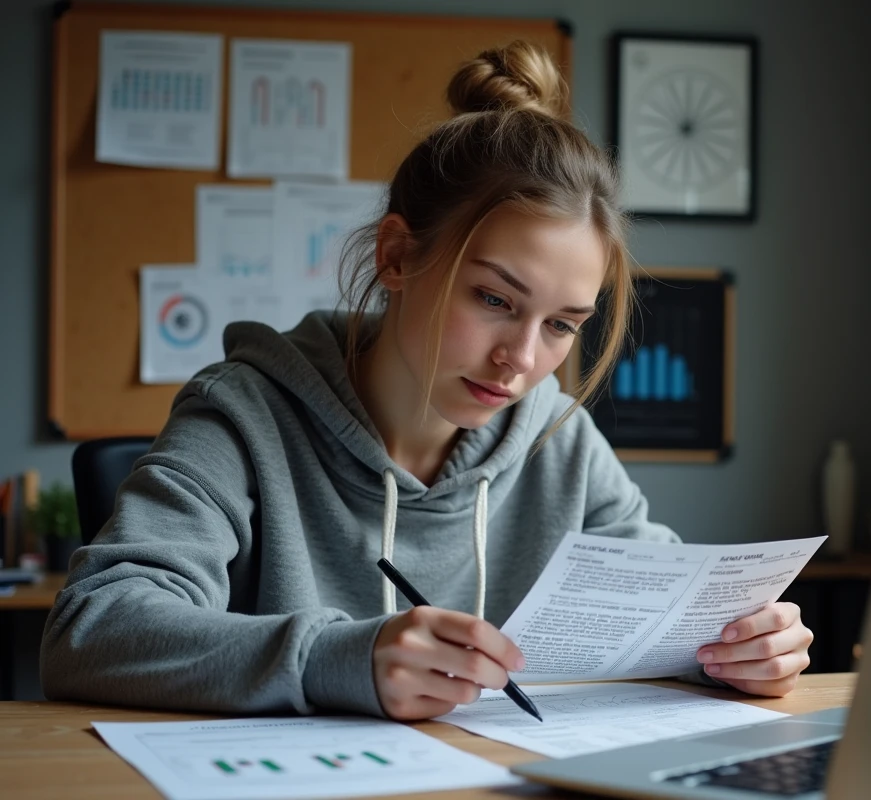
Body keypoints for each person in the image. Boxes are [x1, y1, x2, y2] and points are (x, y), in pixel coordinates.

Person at [41, 41, 813, 721]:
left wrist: (738, 648)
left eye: (561, 324)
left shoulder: (559, 441)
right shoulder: (244, 413)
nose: (521, 358)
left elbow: (671, 619)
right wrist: (337, 658)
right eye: (494, 300)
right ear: (397, 257)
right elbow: (93, 628)